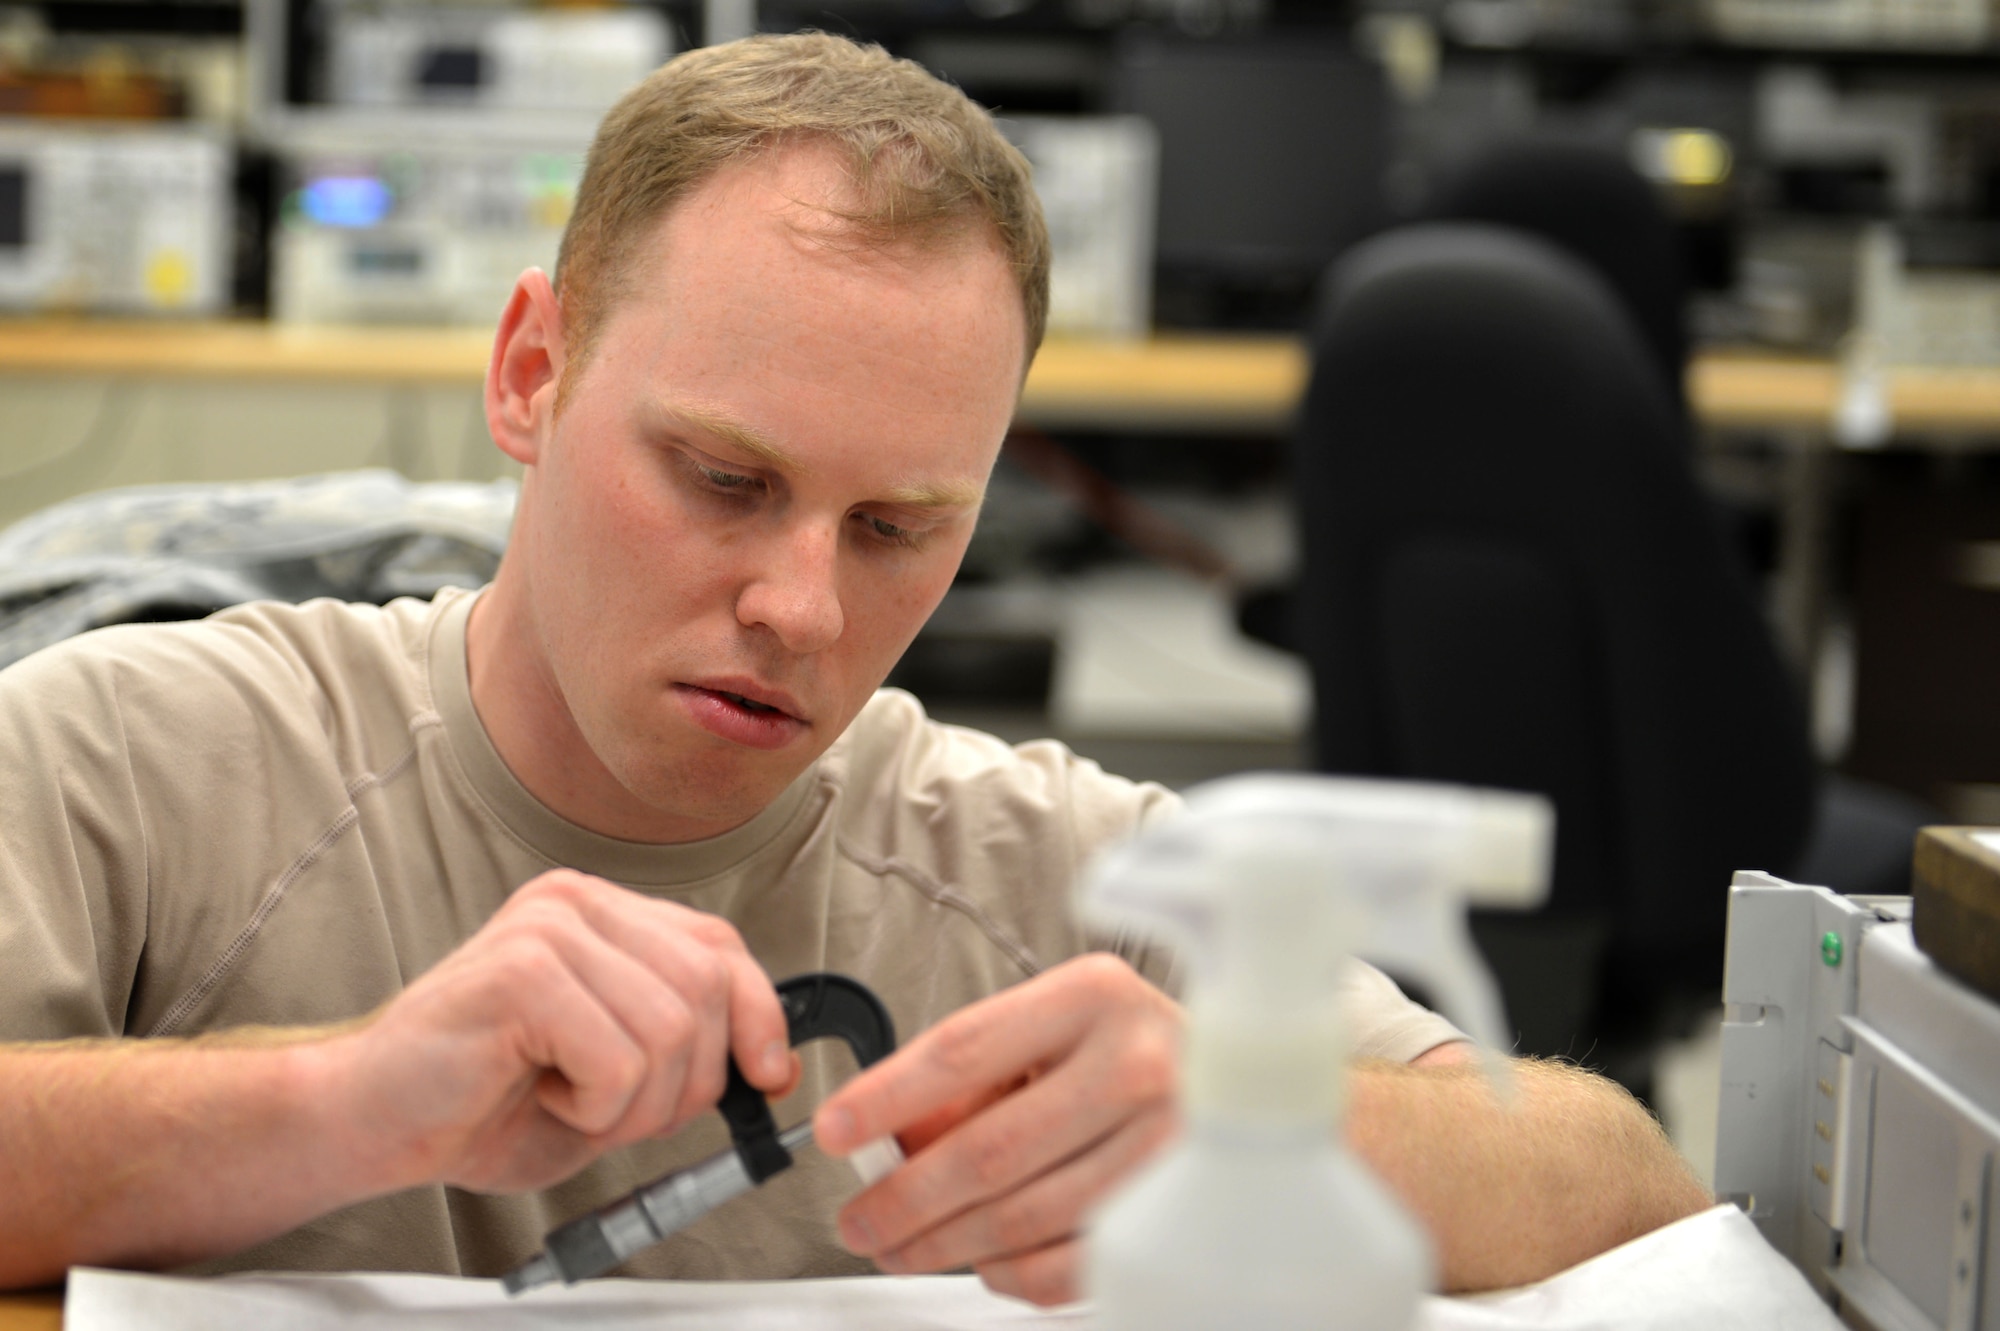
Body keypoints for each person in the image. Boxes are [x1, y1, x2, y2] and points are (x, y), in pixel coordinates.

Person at [0, 32, 1708, 1304]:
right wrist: (344, 1103)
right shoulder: (142, 759)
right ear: (532, 371)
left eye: (900, 525)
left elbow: (1622, 1184)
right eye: (725, 482)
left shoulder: (1054, 873)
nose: (803, 609)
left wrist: (1264, 1115)